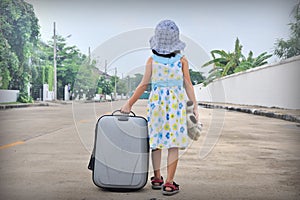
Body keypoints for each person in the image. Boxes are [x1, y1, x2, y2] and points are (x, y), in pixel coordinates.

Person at [121, 19, 199, 196]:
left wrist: (129, 103)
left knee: (156, 141)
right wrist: (194, 105)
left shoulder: (151, 60)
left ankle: (157, 178)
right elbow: (188, 84)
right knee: (173, 144)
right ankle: (170, 184)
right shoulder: (182, 60)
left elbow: (143, 85)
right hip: (176, 106)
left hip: (157, 105)